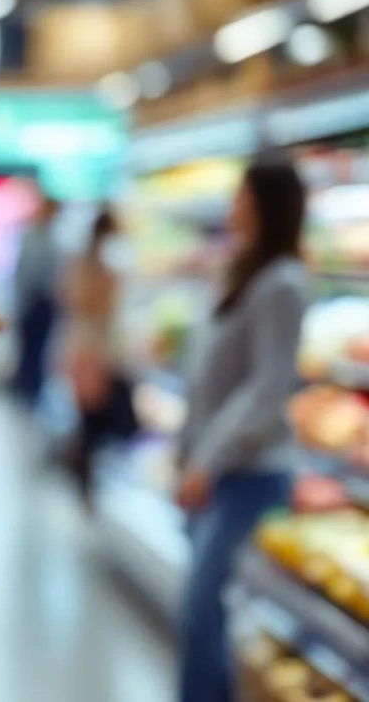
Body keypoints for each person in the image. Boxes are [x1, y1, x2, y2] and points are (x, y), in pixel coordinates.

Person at [175, 158, 308, 702]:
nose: (234, 207)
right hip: (214, 467)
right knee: (200, 610)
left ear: (266, 207)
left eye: (243, 198)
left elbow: (267, 389)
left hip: (247, 472)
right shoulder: (243, 269)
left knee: (199, 609)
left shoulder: (282, 282)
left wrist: (207, 460)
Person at [59, 208, 137, 507]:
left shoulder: (84, 263)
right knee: (100, 422)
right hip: (95, 352)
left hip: (86, 349)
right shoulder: (99, 266)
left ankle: (91, 480)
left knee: (91, 421)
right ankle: (92, 481)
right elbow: (95, 307)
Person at [12, 195, 61, 406]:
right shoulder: (33, 235)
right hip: (32, 302)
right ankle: (25, 392)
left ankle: (32, 393)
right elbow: (25, 274)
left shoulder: (52, 236)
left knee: (39, 352)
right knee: (29, 351)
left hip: (45, 303)